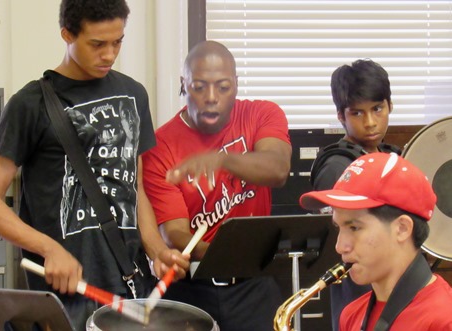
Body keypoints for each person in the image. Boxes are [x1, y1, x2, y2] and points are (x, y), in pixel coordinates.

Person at [0, 1, 189, 329]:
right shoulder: (29, 105)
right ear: (67, 35)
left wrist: (156, 249)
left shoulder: (134, 94)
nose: (109, 54)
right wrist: (48, 249)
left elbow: (136, 188)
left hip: (130, 283)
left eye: (117, 42)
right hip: (65, 294)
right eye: (97, 44)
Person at [142, 40, 292, 331]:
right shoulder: (160, 147)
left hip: (256, 286)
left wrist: (221, 160)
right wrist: (233, 254)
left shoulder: (262, 114)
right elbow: (175, 234)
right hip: (193, 291)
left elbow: (278, 169)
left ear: (236, 84)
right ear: (183, 85)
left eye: (223, 87)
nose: (211, 97)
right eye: (199, 86)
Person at [300, 152, 452, 330]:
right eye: (338, 227)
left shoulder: (444, 319)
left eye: (354, 228)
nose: (340, 247)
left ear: (402, 228)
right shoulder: (351, 315)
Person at [309, 59, 401, 330]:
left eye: (377, 109)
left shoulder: (394, 156)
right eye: (357, 113)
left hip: (398, 283)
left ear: (390, 106)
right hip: (359, 290)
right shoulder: (336, 166)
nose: (370, 122)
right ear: (341, 116)